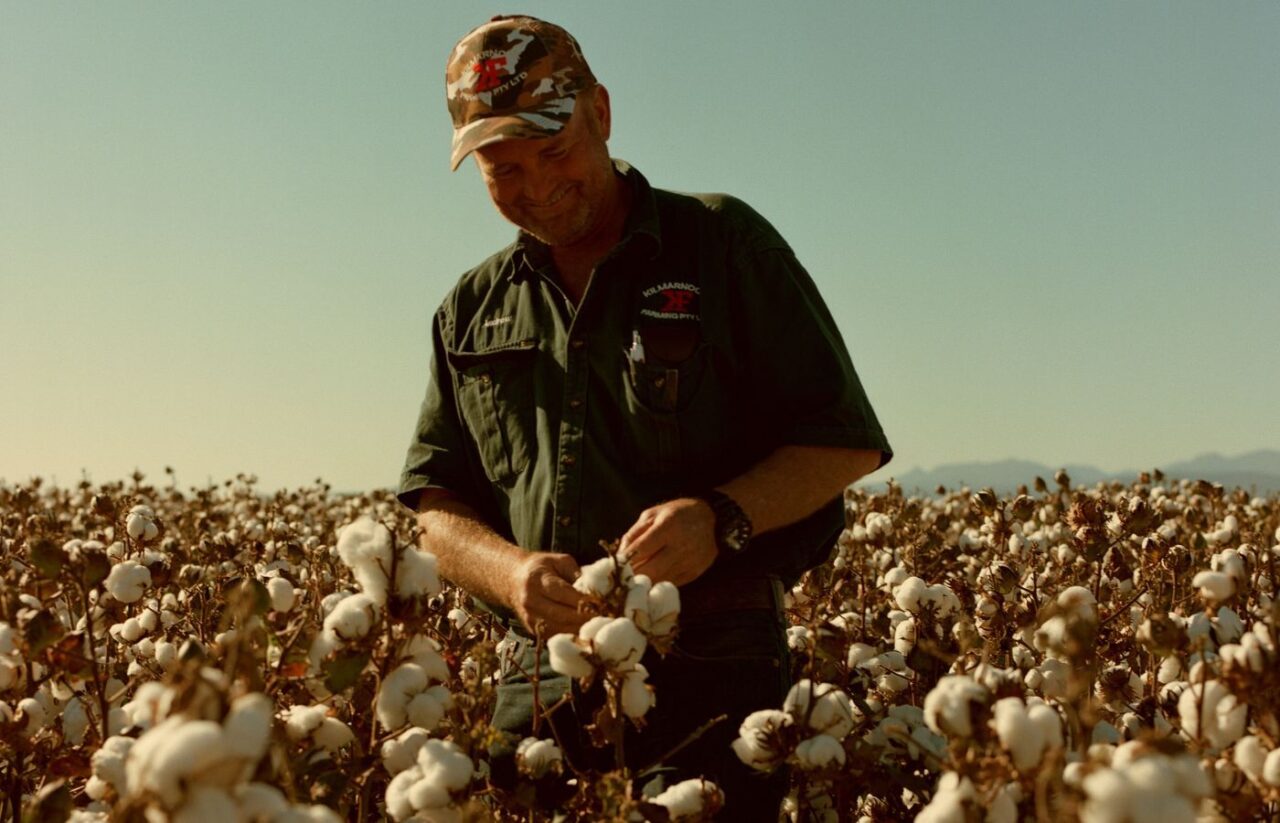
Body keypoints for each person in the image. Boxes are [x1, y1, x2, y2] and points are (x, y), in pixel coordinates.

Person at [399, 15, 892, 819]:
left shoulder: (724, 245)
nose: (534, 185)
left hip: (718, 670)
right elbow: (434, 503)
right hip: (538, 680)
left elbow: (841, 439)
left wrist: (721, 517)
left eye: (552, 152)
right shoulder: (471, 309)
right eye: (502, 169)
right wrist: (512, 574)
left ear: (601, 111)